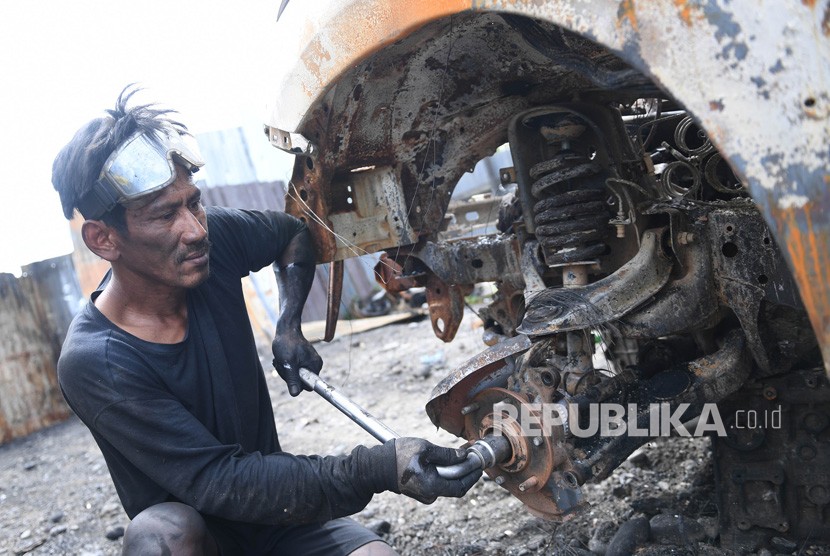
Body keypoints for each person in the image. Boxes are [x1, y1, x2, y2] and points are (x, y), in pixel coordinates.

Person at [51, 87, 481, 556]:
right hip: (205, 540)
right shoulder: (96, 361)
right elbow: (218, 482)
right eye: (164, 215)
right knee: (161, 532)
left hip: (280, 518)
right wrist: (376, 468)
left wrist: (290, 325)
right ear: (103, 239)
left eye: (192, 202)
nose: (194, 229)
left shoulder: (209, 245)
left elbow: (293, 235)